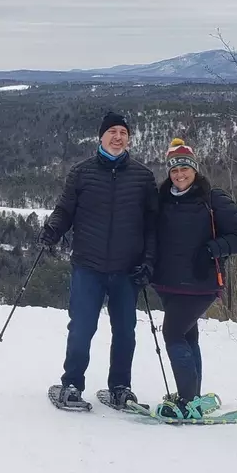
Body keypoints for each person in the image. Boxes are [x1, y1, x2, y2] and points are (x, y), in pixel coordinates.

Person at [39, 111, 158, 409]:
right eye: (112, 132)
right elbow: (65, 209)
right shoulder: (82, 173)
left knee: (125, 332)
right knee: (81, 327)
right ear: (101, 136)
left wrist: (149, 261)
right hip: (88, 266)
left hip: (126, 269)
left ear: (129, 139)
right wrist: (54, 228)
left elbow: (153, 226)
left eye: (123, 133)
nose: (118, 137)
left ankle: (120, 387)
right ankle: (72, 385)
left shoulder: (143, 177)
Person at [150, 138, 237, 420]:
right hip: (168, 282)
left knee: (172, 333)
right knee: (188, 335)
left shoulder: (213, 198)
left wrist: (210, 250)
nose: (179, 174)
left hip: (201, 282)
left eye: (184, 168)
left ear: (194, 169)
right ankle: (191, 394)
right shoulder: (163, 199)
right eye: (174, 170)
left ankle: (187, 401)